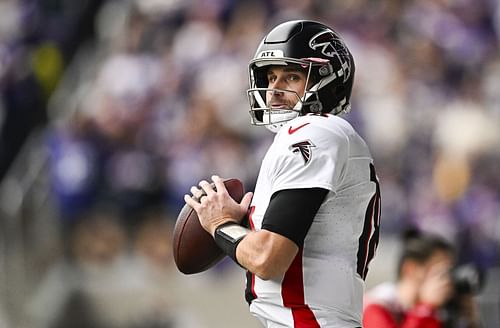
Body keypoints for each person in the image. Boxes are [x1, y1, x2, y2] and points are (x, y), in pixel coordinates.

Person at [184, 20, 381, 327]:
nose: (274, 89)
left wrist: (219, 225)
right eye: (271, 76)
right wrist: (244, 226)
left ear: (328, 79)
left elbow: (268, 259)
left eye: (291, 76)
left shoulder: (315, 132)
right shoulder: (322, 136)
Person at [363, 230, 481, 328]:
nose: (447, 281)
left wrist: (469, 323)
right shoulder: (376, 308)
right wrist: (425, 310)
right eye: (442, 272)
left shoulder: (439, 311)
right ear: (410, 269)